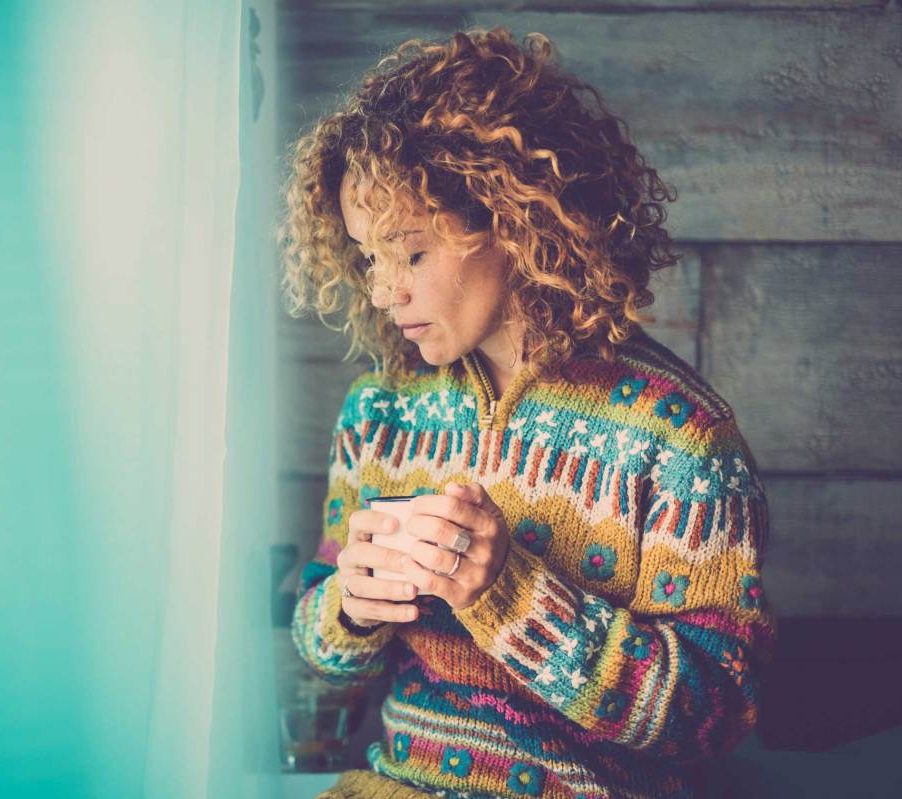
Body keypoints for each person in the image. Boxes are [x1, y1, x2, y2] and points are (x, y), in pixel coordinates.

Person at [277, 26, 776, 799]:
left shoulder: (679, 437)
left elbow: (715, 714)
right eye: (368, 257)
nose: (381, 291)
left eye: (409, 253)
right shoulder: (381, 410)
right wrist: (350, 600)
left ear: (514, 223)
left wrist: (509, 591)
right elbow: (319, 641)